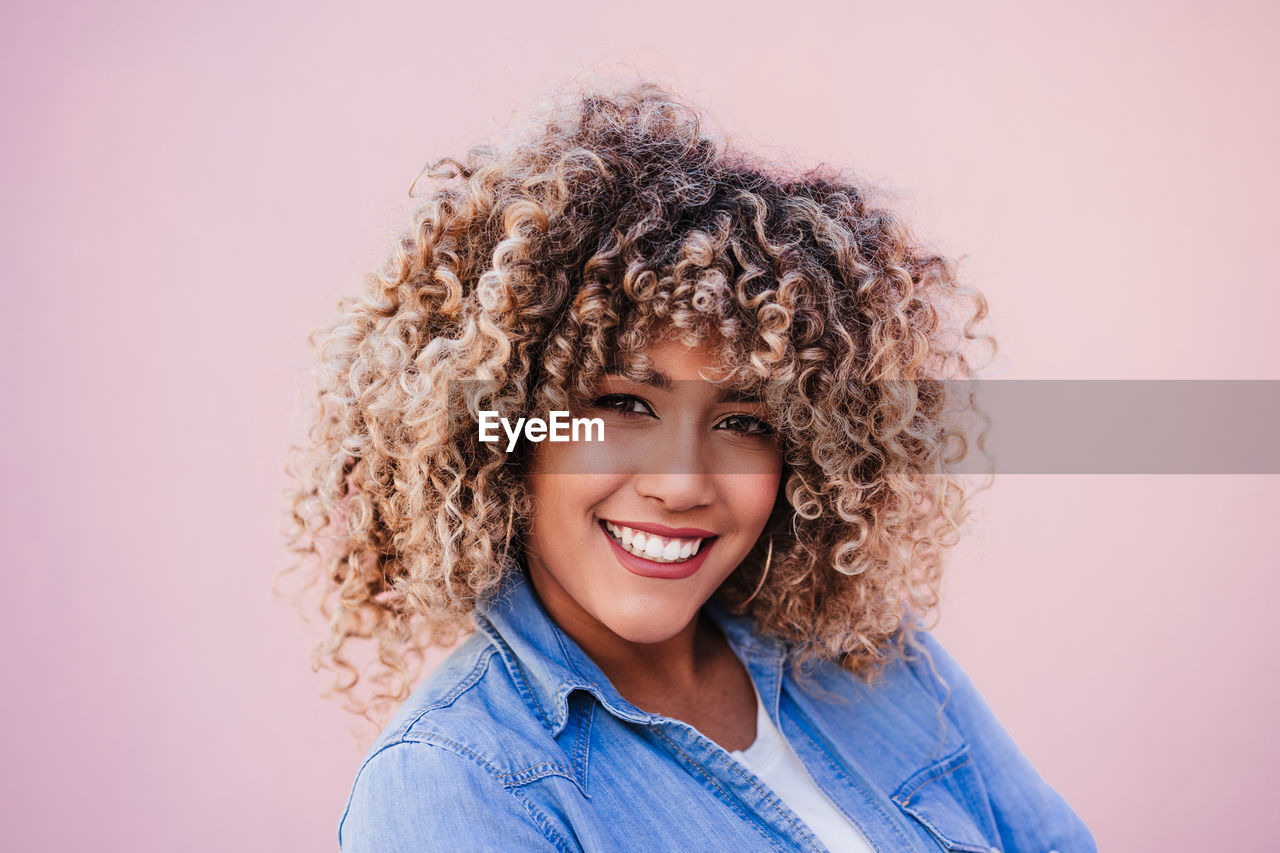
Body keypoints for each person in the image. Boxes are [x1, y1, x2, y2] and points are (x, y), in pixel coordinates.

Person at [284, 83, 1096, 851]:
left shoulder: (865, 654)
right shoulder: (458, 787)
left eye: (744, 421)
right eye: (623, 404)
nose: (681, 483)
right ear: (505, 429)